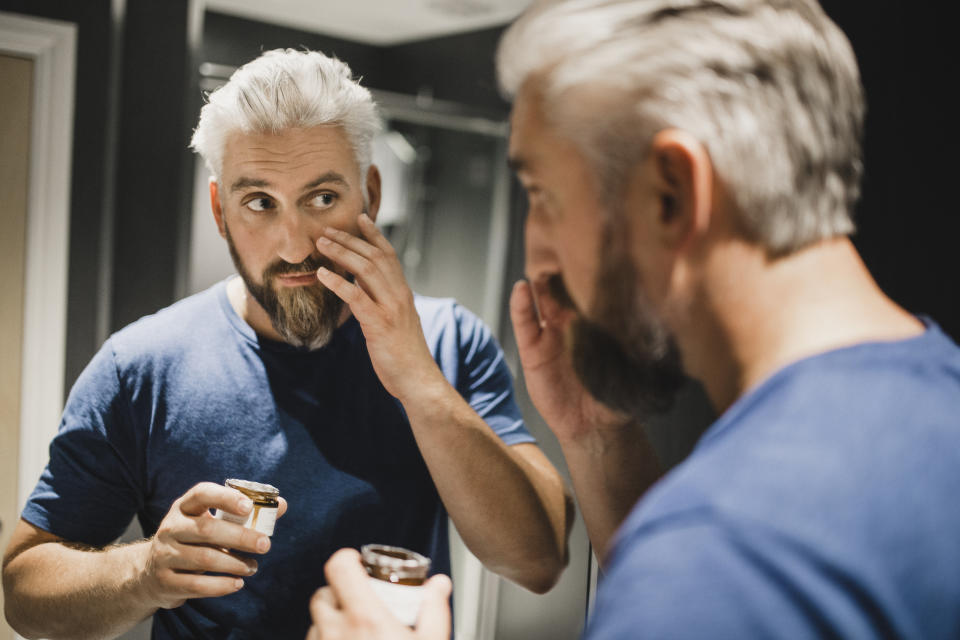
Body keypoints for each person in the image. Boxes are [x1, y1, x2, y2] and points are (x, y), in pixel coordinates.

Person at [309, 0, 960, 638]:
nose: (535, 257)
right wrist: (598, 438)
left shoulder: (729, 550)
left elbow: (695, 587)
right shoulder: (933, 402)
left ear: (672, 192)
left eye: (542, 196)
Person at [2, 48, 572, 639]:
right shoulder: (139, 366)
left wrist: (421, 382)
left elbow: (537, 562)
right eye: (259, 203)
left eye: (323, 198)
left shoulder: (451, 341)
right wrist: (146, 572)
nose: (295, 245)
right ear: (220, 211)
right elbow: (24, 594)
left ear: (370, 196)